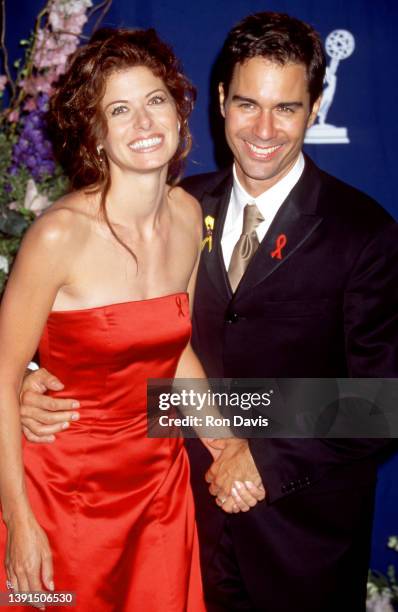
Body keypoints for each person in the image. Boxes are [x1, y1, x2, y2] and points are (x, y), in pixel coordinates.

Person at [18, 11, 398, 612]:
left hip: (299, 538)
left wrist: (259, 450)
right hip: (175, 516)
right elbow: (122, 346)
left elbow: (380, 401)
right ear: (220, 100)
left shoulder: (365, 232)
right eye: (248, 103)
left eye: (287, 108)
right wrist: (31, 381)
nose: (264, 128)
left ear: (315, 107)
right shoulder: (178, 206)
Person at [0, 27, 264, 612]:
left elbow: (176, 356)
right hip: (61, 493)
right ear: (95, 133)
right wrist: (19, 521)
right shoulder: (59, 235)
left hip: (157, 492)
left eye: (154, 101)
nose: (144, 124)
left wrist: (224, 444)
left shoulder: (189, 214)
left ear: (179, 110)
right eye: (119, 110)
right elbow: (1, 374)